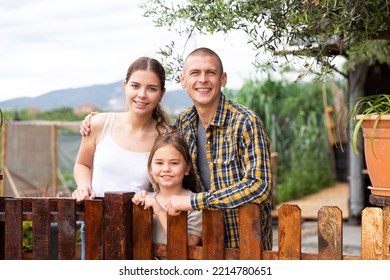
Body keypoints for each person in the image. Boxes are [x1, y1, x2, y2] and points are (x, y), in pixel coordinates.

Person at [80, 47, 273, 250]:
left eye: (211, 73)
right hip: (200, 246)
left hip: (243, 243)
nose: (203, 79)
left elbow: (259, 187)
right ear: (183, 80)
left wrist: (195, 202)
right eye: (195, 73)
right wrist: (93, 120)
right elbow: (167, 165)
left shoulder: (245, 122)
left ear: (223, 79)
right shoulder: (183, 124)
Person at [72, 56, 171, 259]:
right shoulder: (100, 123)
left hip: (141, 230)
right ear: (125, 86)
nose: (141, 95)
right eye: (135, 86)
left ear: (162, 94)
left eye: (151, 88)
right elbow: (82, 164)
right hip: (95, 224)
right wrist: (83, 186)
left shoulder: (166, 137)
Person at [132, 131, 202, 247]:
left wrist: (160, 212)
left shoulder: (194, 202)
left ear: (187, 169)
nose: (166, 169)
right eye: (159, 163)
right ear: (150, 168)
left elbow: (190, 244)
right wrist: (137, 204)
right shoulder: (147, 199)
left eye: (174, 163)